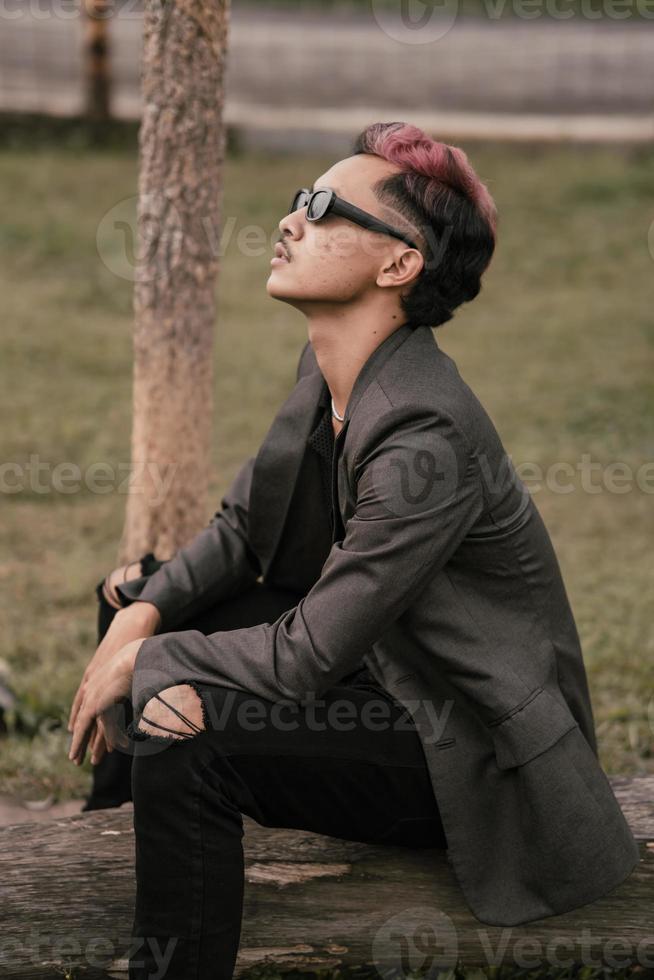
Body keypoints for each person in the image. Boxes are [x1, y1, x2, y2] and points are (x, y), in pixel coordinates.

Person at [67, 121, 639, 978]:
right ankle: (107, 848)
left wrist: (148, 662)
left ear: (399, 264)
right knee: (139, 600)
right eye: (301, 198)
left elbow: (303, 659)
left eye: (325, 208)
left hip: (464, 747)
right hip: (385, 669)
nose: (292, 219)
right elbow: (242, 530)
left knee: (190, 722)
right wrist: (141, 618)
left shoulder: (424, 433)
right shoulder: (333, 365)